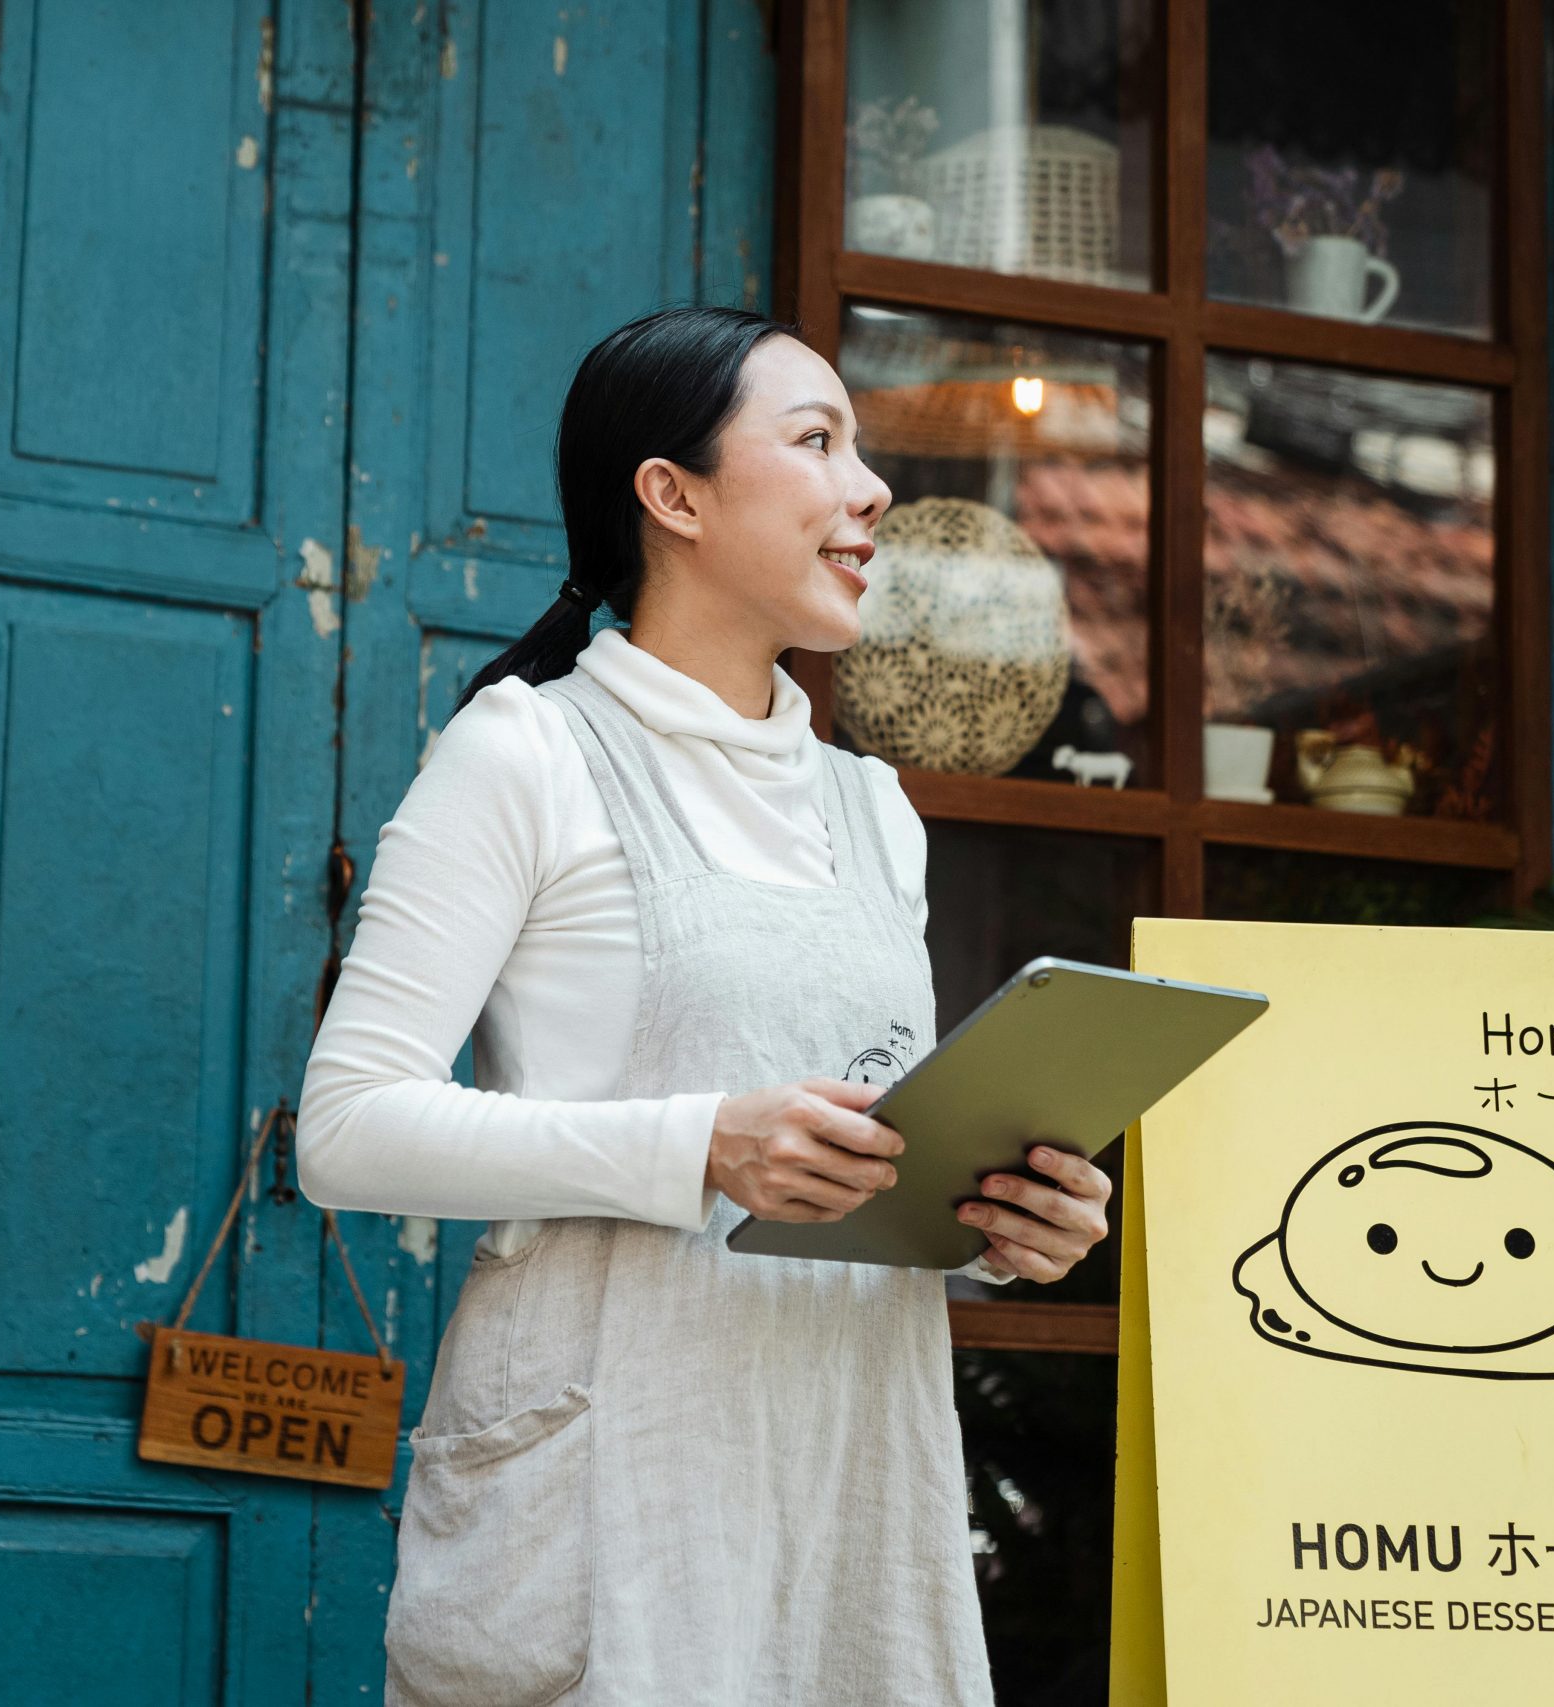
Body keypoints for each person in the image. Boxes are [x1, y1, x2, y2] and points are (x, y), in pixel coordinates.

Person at [297, 305, 1114, 1705]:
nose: (872, 491)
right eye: (816, 442)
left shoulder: (873, 809)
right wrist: (701, 1148)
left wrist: (1002, 1226)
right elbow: (346, 1129)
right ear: (671, 496)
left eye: (863, 448)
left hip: (847, 1479)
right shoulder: (527, 751)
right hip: (615, 1492)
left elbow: (862, 1154)